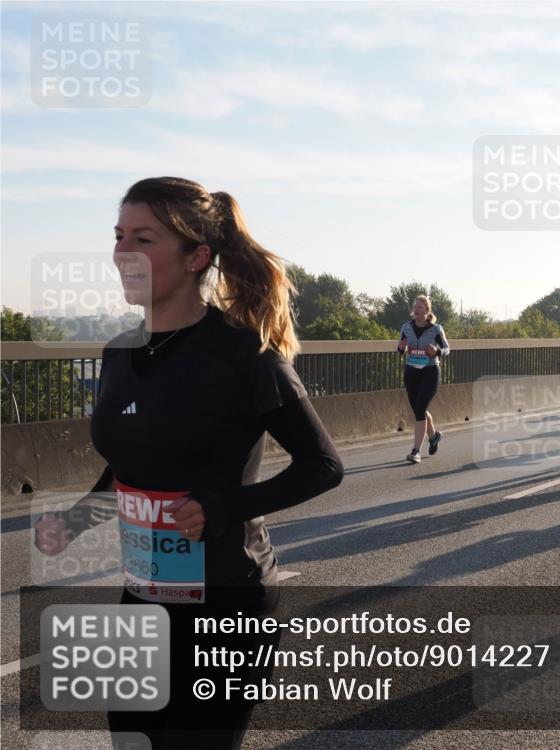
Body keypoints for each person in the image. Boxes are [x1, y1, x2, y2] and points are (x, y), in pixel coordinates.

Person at [34, 177, 344, 750]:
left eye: (143, 239)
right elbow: (129, 465)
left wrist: (222, 507)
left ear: (196, 256)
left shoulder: (246, 355)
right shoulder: (118, 353)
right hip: (143, 594)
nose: (122, 253)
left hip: (228, 598)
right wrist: (74, 522)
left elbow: (322, 465)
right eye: (118, 235)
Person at [398, 295, 450, 464]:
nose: (417, 309)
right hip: (412, 372)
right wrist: (400, 348)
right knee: (419, 409)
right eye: (415, 307)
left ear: (427, 310)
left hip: (430, 372)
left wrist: (436, 351)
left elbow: (447, 349)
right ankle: (434, 436)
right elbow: (400, 349)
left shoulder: (436, 329)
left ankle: (415, 451)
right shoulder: (406, 327)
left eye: (421, 307)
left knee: (420, 408)